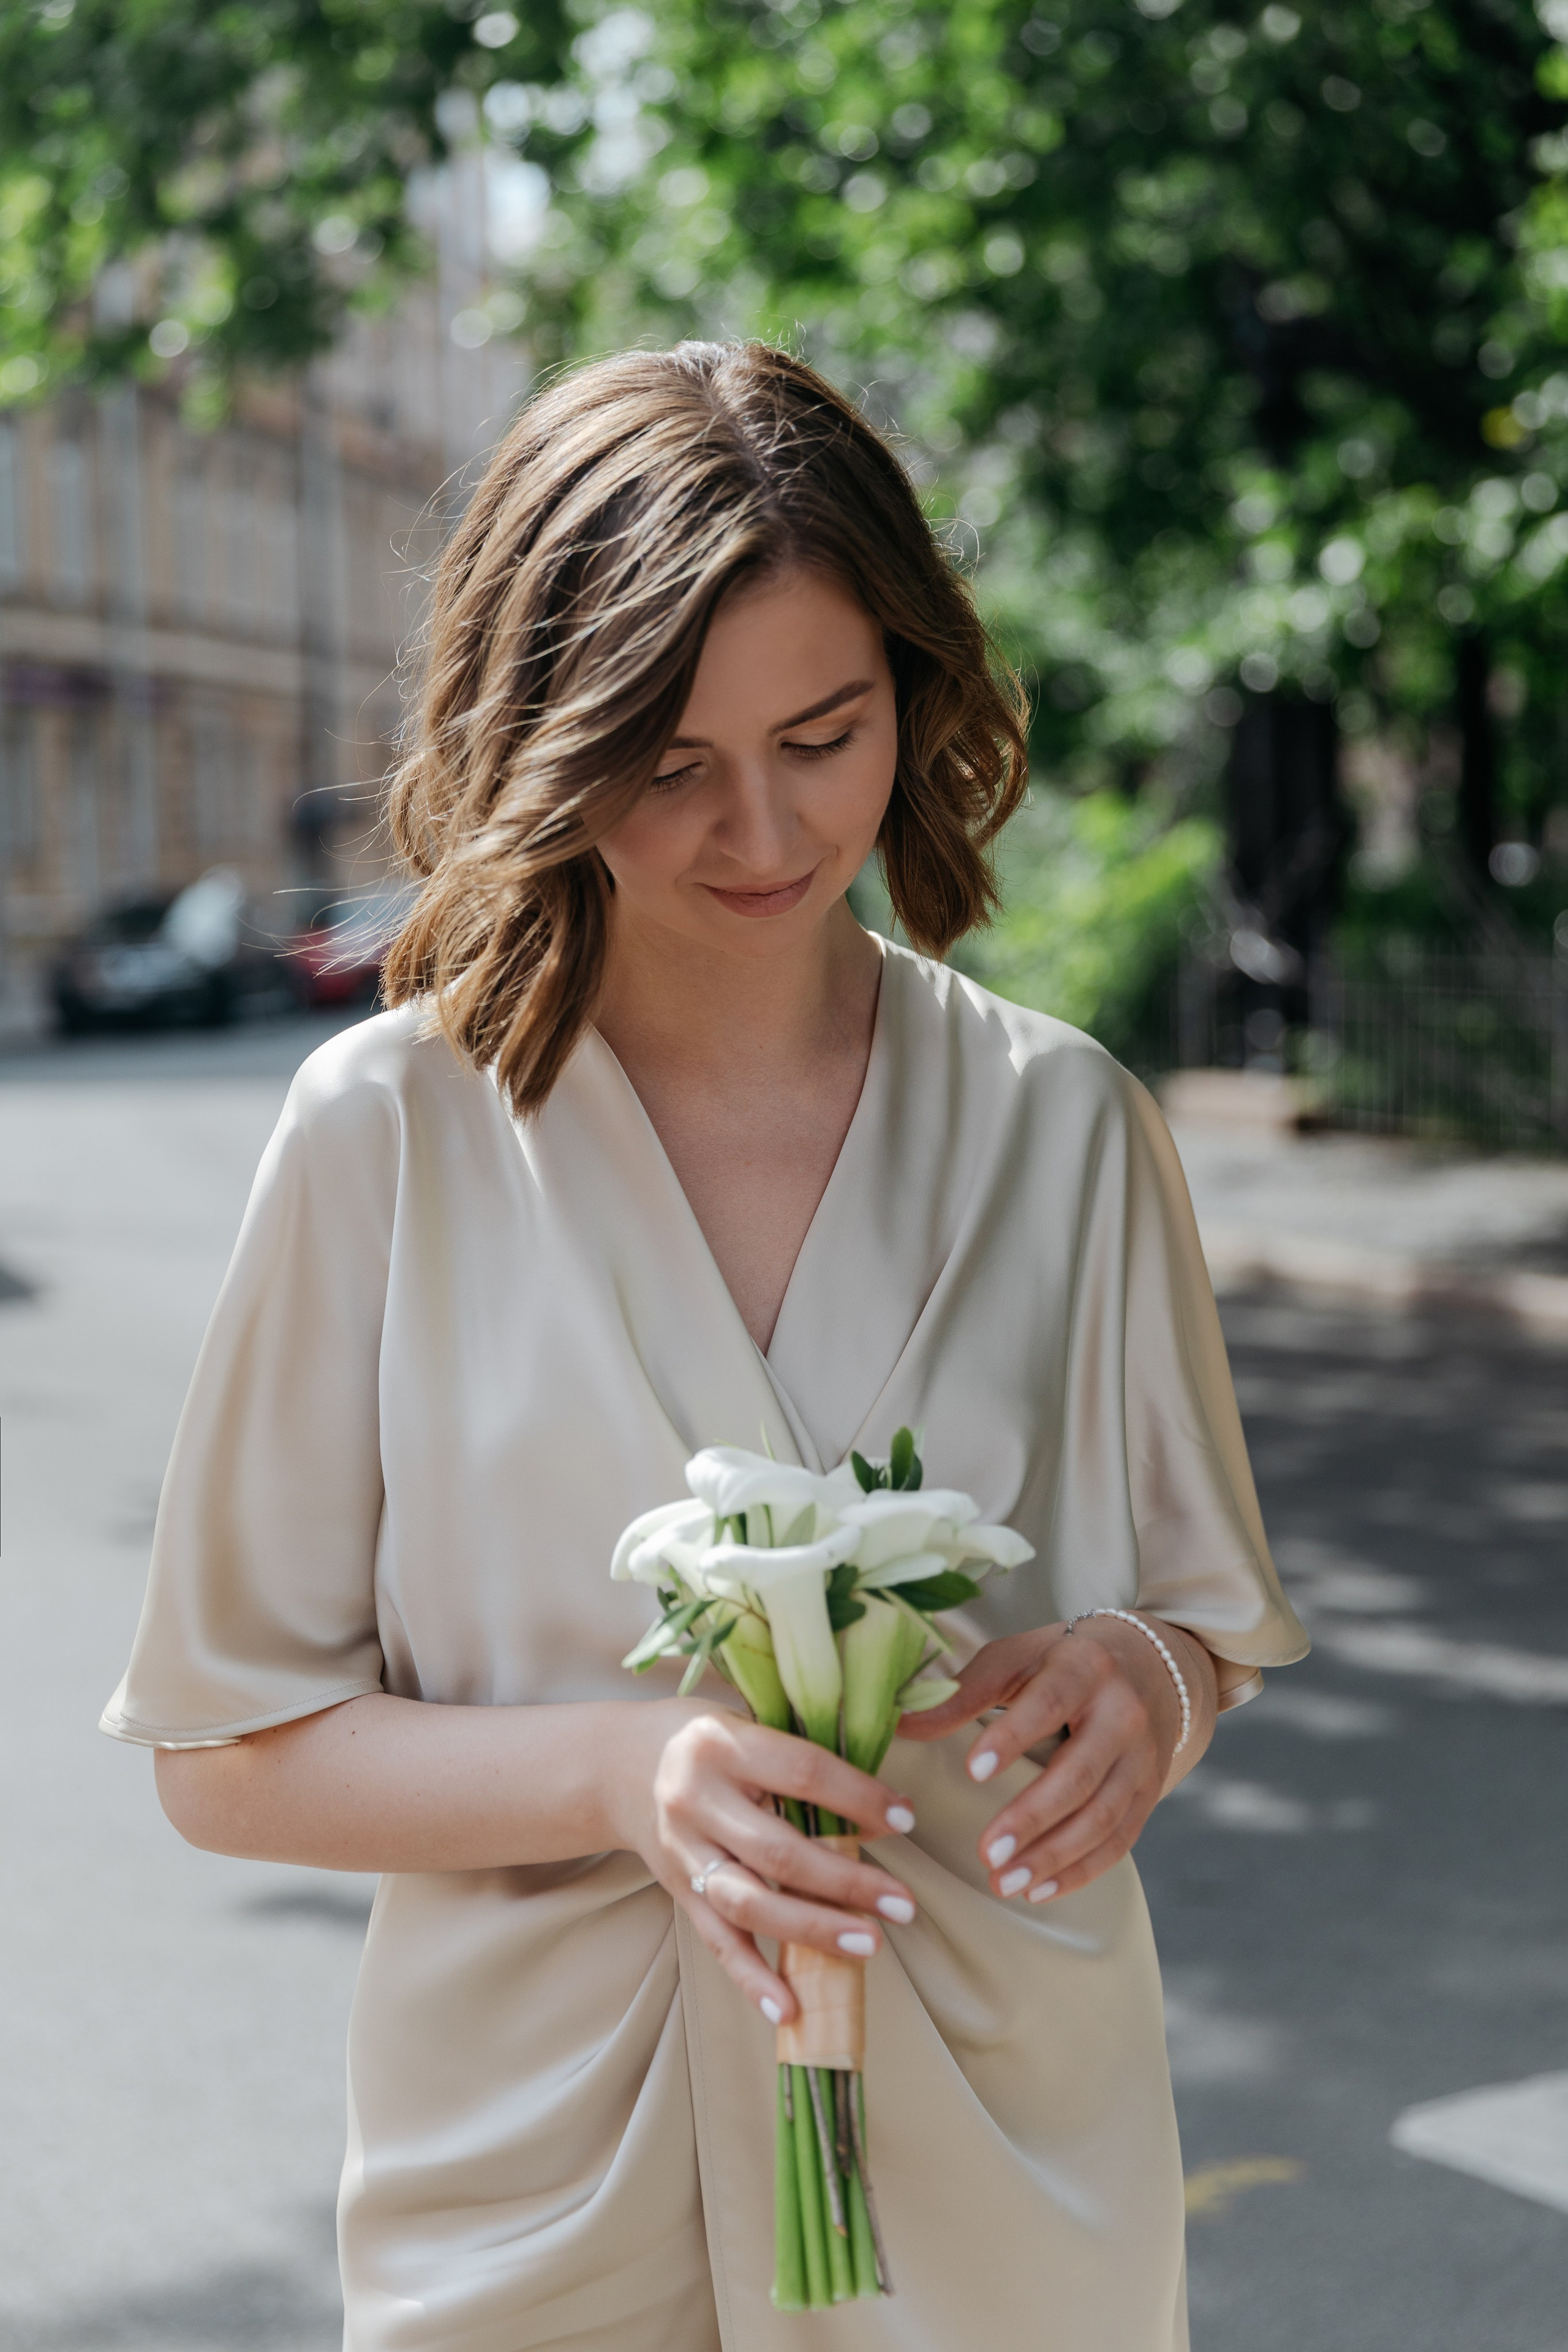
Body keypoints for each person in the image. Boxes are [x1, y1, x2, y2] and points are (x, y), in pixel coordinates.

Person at [103, 342, 1308, 2351]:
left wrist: (1147, 1688)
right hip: (540, 2188)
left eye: (825, 735)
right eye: (666, 764)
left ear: (912, 700)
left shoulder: (1068, 1127)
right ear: (542, 746)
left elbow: (1201, 1624)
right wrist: (623, 1770)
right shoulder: (383, 1137)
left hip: (1006, 2171)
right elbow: (229, 1759)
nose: (762, 830)